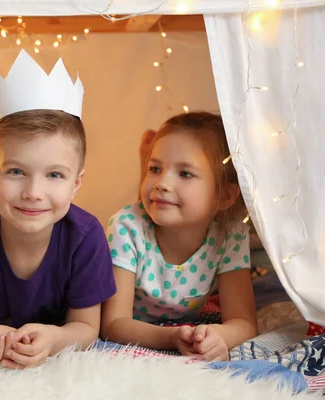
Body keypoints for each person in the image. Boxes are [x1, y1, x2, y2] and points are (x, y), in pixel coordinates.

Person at [0, 50, 116, 368]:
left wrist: (54, 339)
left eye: (54, 175)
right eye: (16, 171)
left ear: (76, 183)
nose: (34, 193)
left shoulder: (87, 237)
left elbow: (87, 328)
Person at [101, 112, 258, 361]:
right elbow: (113, 324)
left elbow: (244, 322)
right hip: (144, 326)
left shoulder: (230, 233)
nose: (161, 183)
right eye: (154, 168)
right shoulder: (127, 227)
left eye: (185, 174)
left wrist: (219, 336)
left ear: (225, 197)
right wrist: (172, 337)